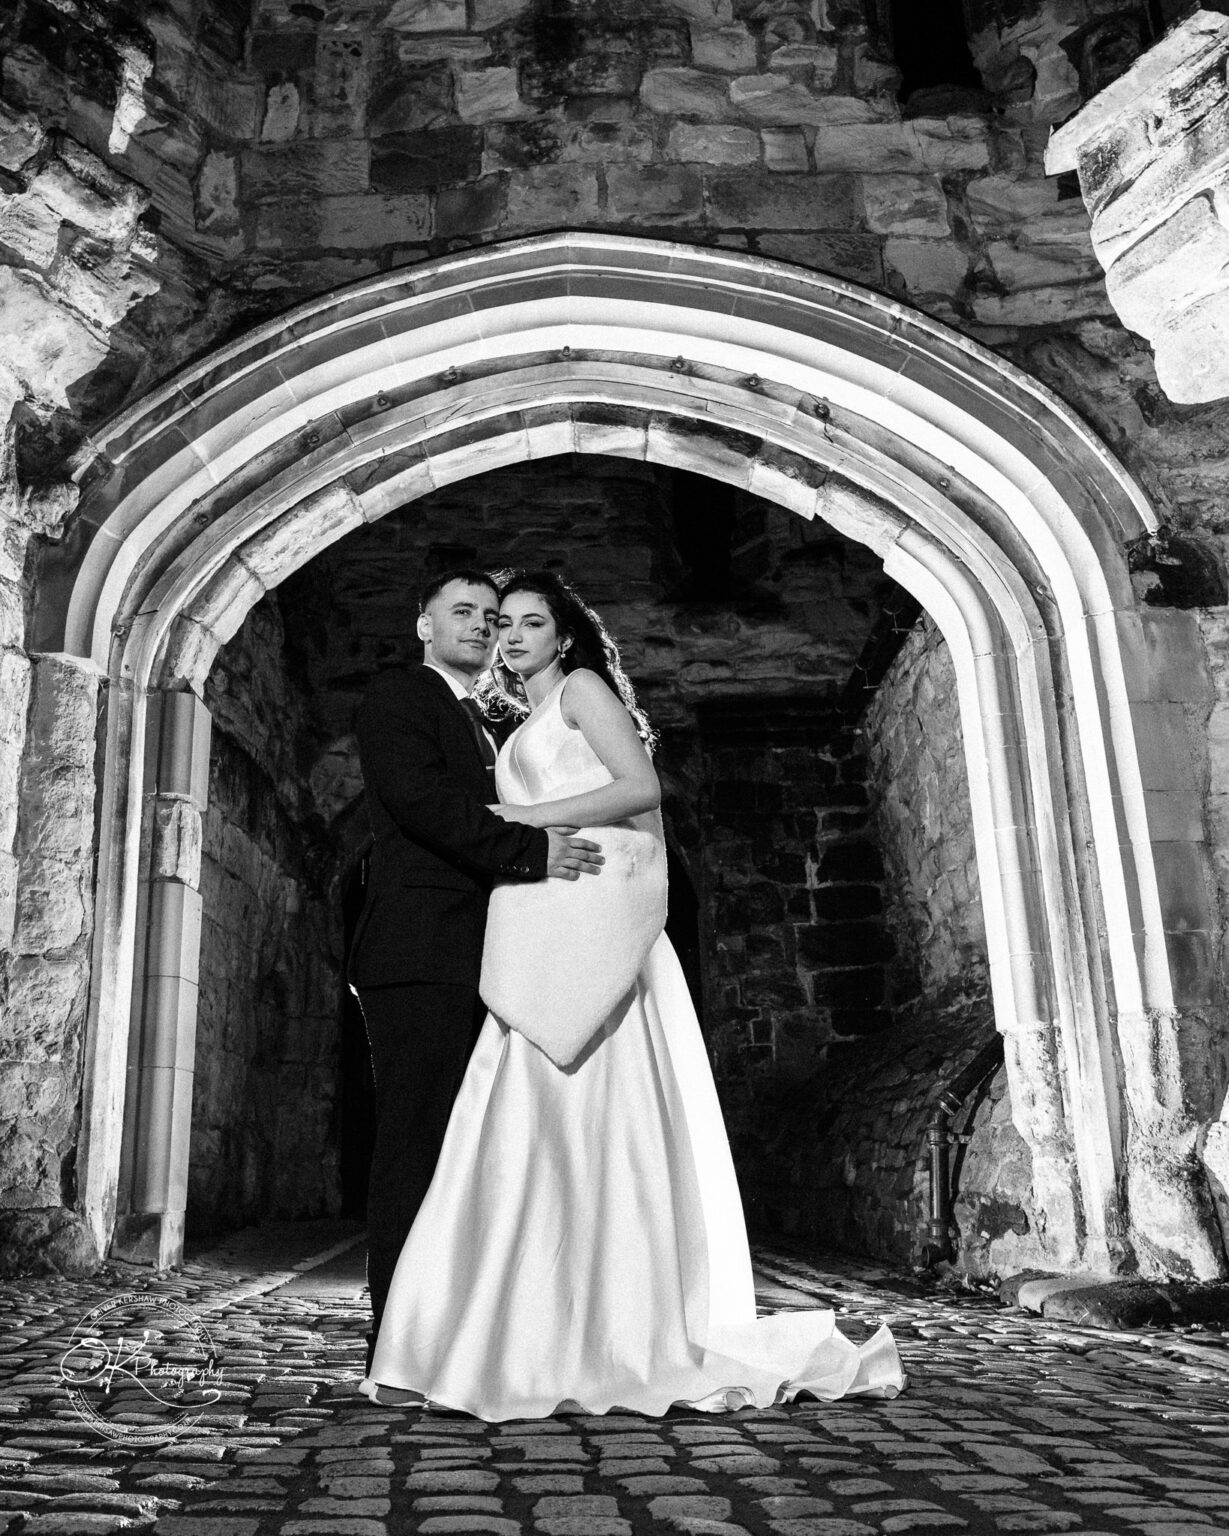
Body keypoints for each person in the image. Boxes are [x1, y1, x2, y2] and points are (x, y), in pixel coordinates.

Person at [360, 571, 905, 1417]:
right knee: (513, 1141)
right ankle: (505, 1329)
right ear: (425, 623)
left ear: (565, 635)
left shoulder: (579, 689)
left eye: (524, 622)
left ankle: (603, 1330)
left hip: (588, 929)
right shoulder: (492, 715)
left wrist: (524, 827)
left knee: (578, 1126)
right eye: (493, 621)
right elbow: (439, 806)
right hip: (537, 937)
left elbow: (640, 790)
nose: (504, 635)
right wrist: (523, 835)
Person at [349, 569, 603, 1379]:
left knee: (474, 1151)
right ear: (423, 624)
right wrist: (534, 852)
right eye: (461, 613)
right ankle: (398, 1341)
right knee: (416, 1144)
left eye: (492, 618)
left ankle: (466, 1328)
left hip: (483, 952)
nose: (481, 627)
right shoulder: (400, 697)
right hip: (419, 949)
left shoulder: (490, 719)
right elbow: (420, 802)